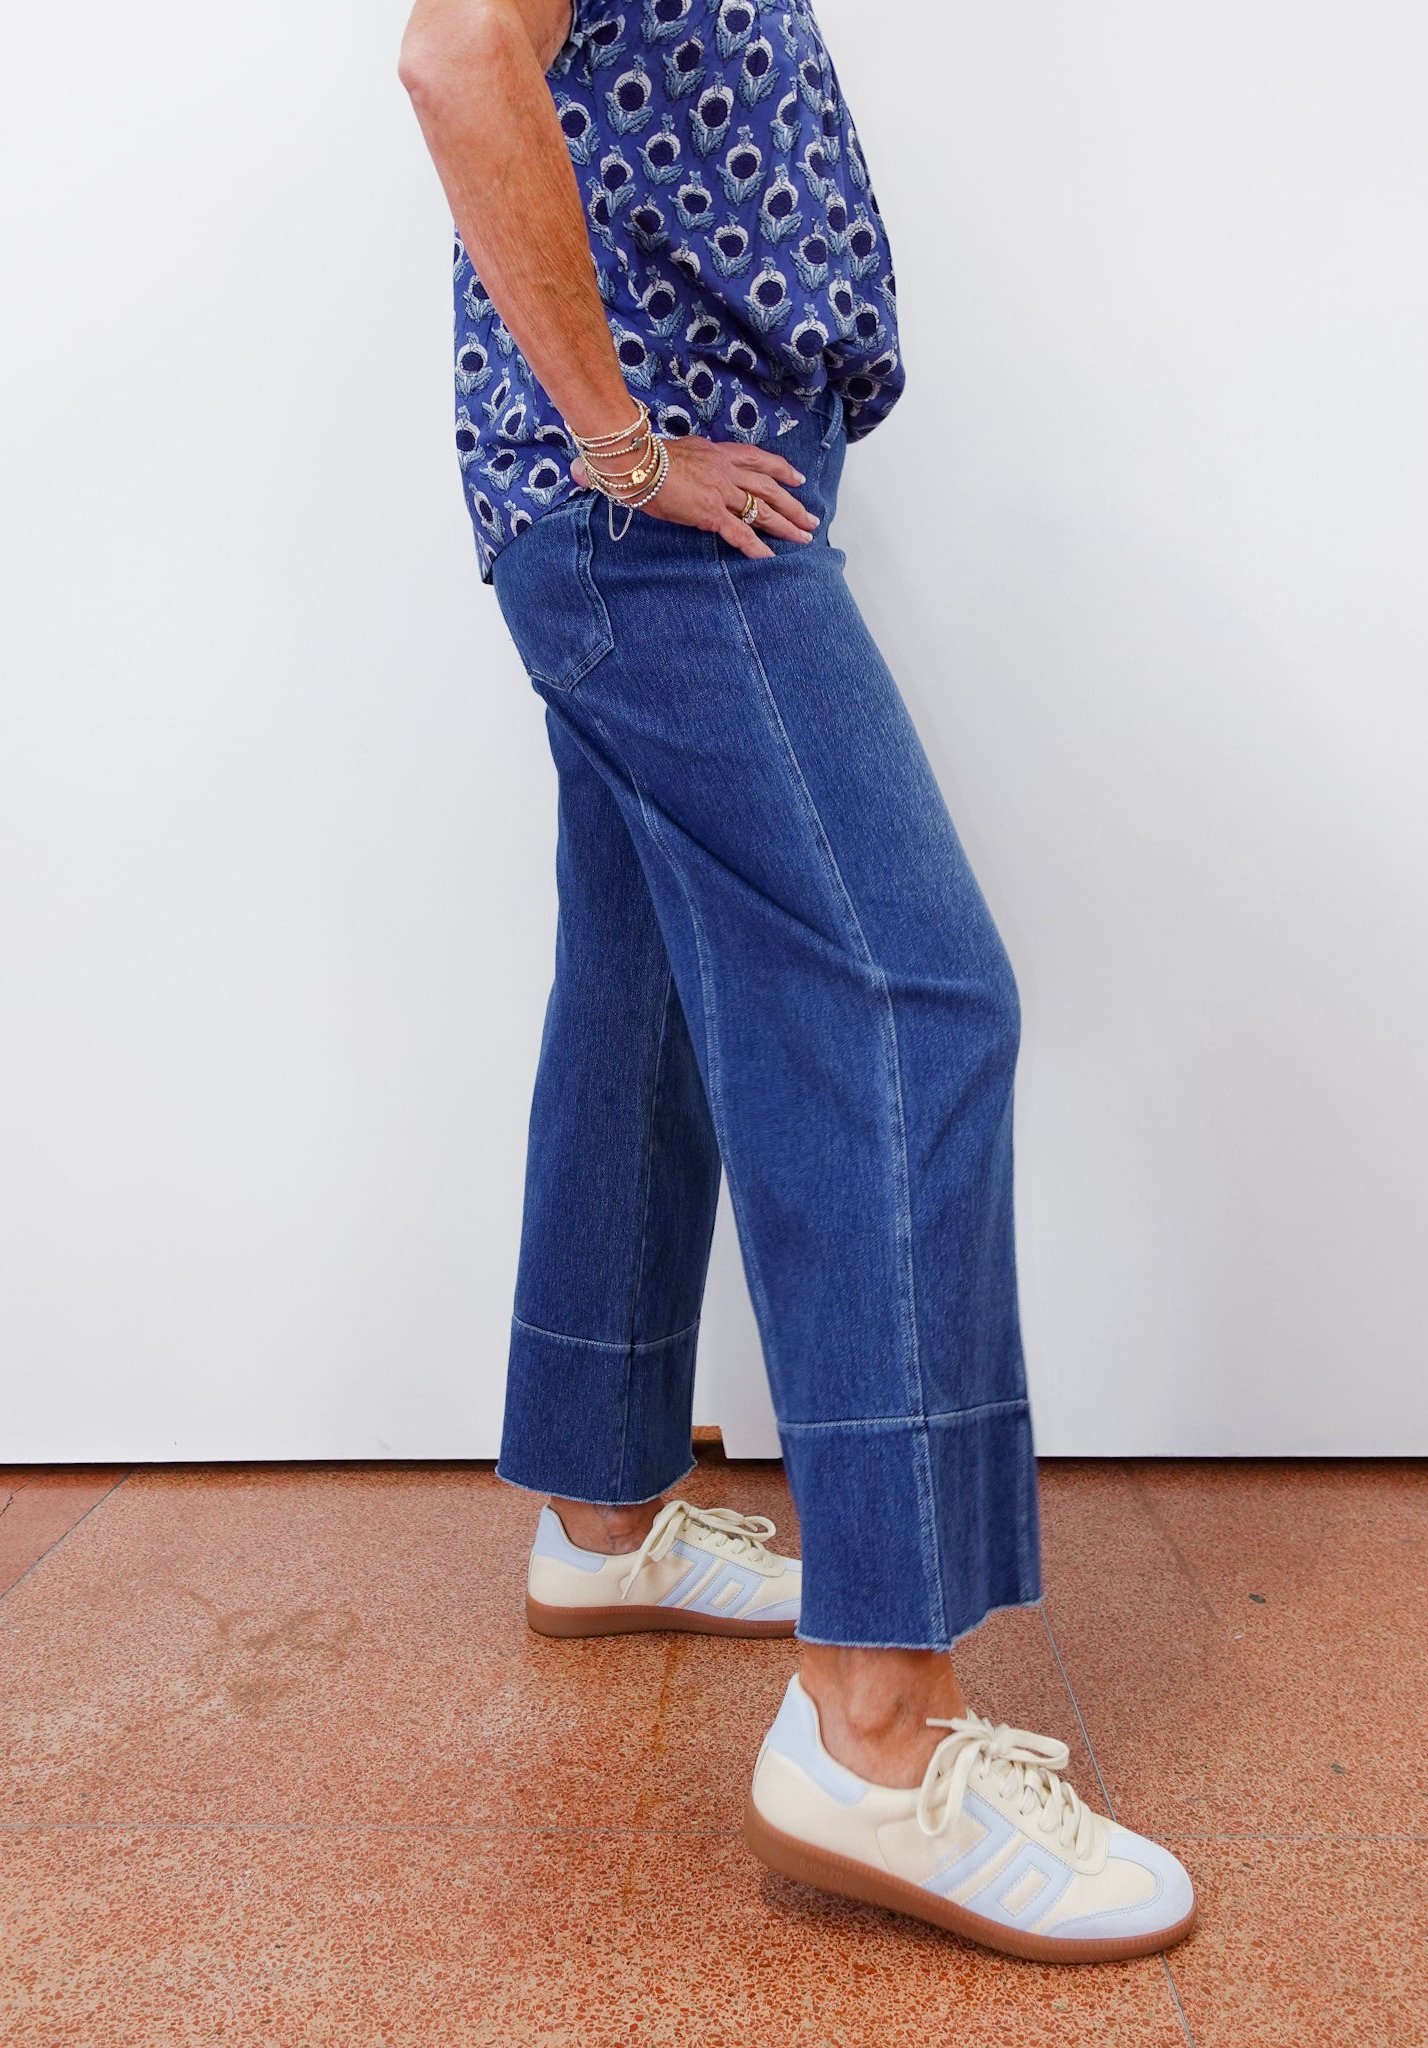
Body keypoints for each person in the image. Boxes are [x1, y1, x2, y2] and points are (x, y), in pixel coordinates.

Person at [399, 0, 1195, 1963]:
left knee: (650, 987)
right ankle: (877, 1731)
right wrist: (620, 435)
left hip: (667, 495)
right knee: (910, 1002)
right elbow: (455, 52)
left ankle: (599, 1512)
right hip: (656, 518)